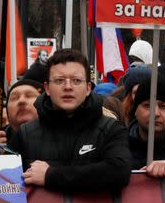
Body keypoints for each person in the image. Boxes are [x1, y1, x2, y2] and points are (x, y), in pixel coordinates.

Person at [9, 49, 131, 193]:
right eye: (59, 80)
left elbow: (119, 172)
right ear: (47, 88)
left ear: (88, 88)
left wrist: (51, 175)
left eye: (76, 81)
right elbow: (2, 183)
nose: (68, 87)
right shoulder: (25, 134)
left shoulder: (110, 129)